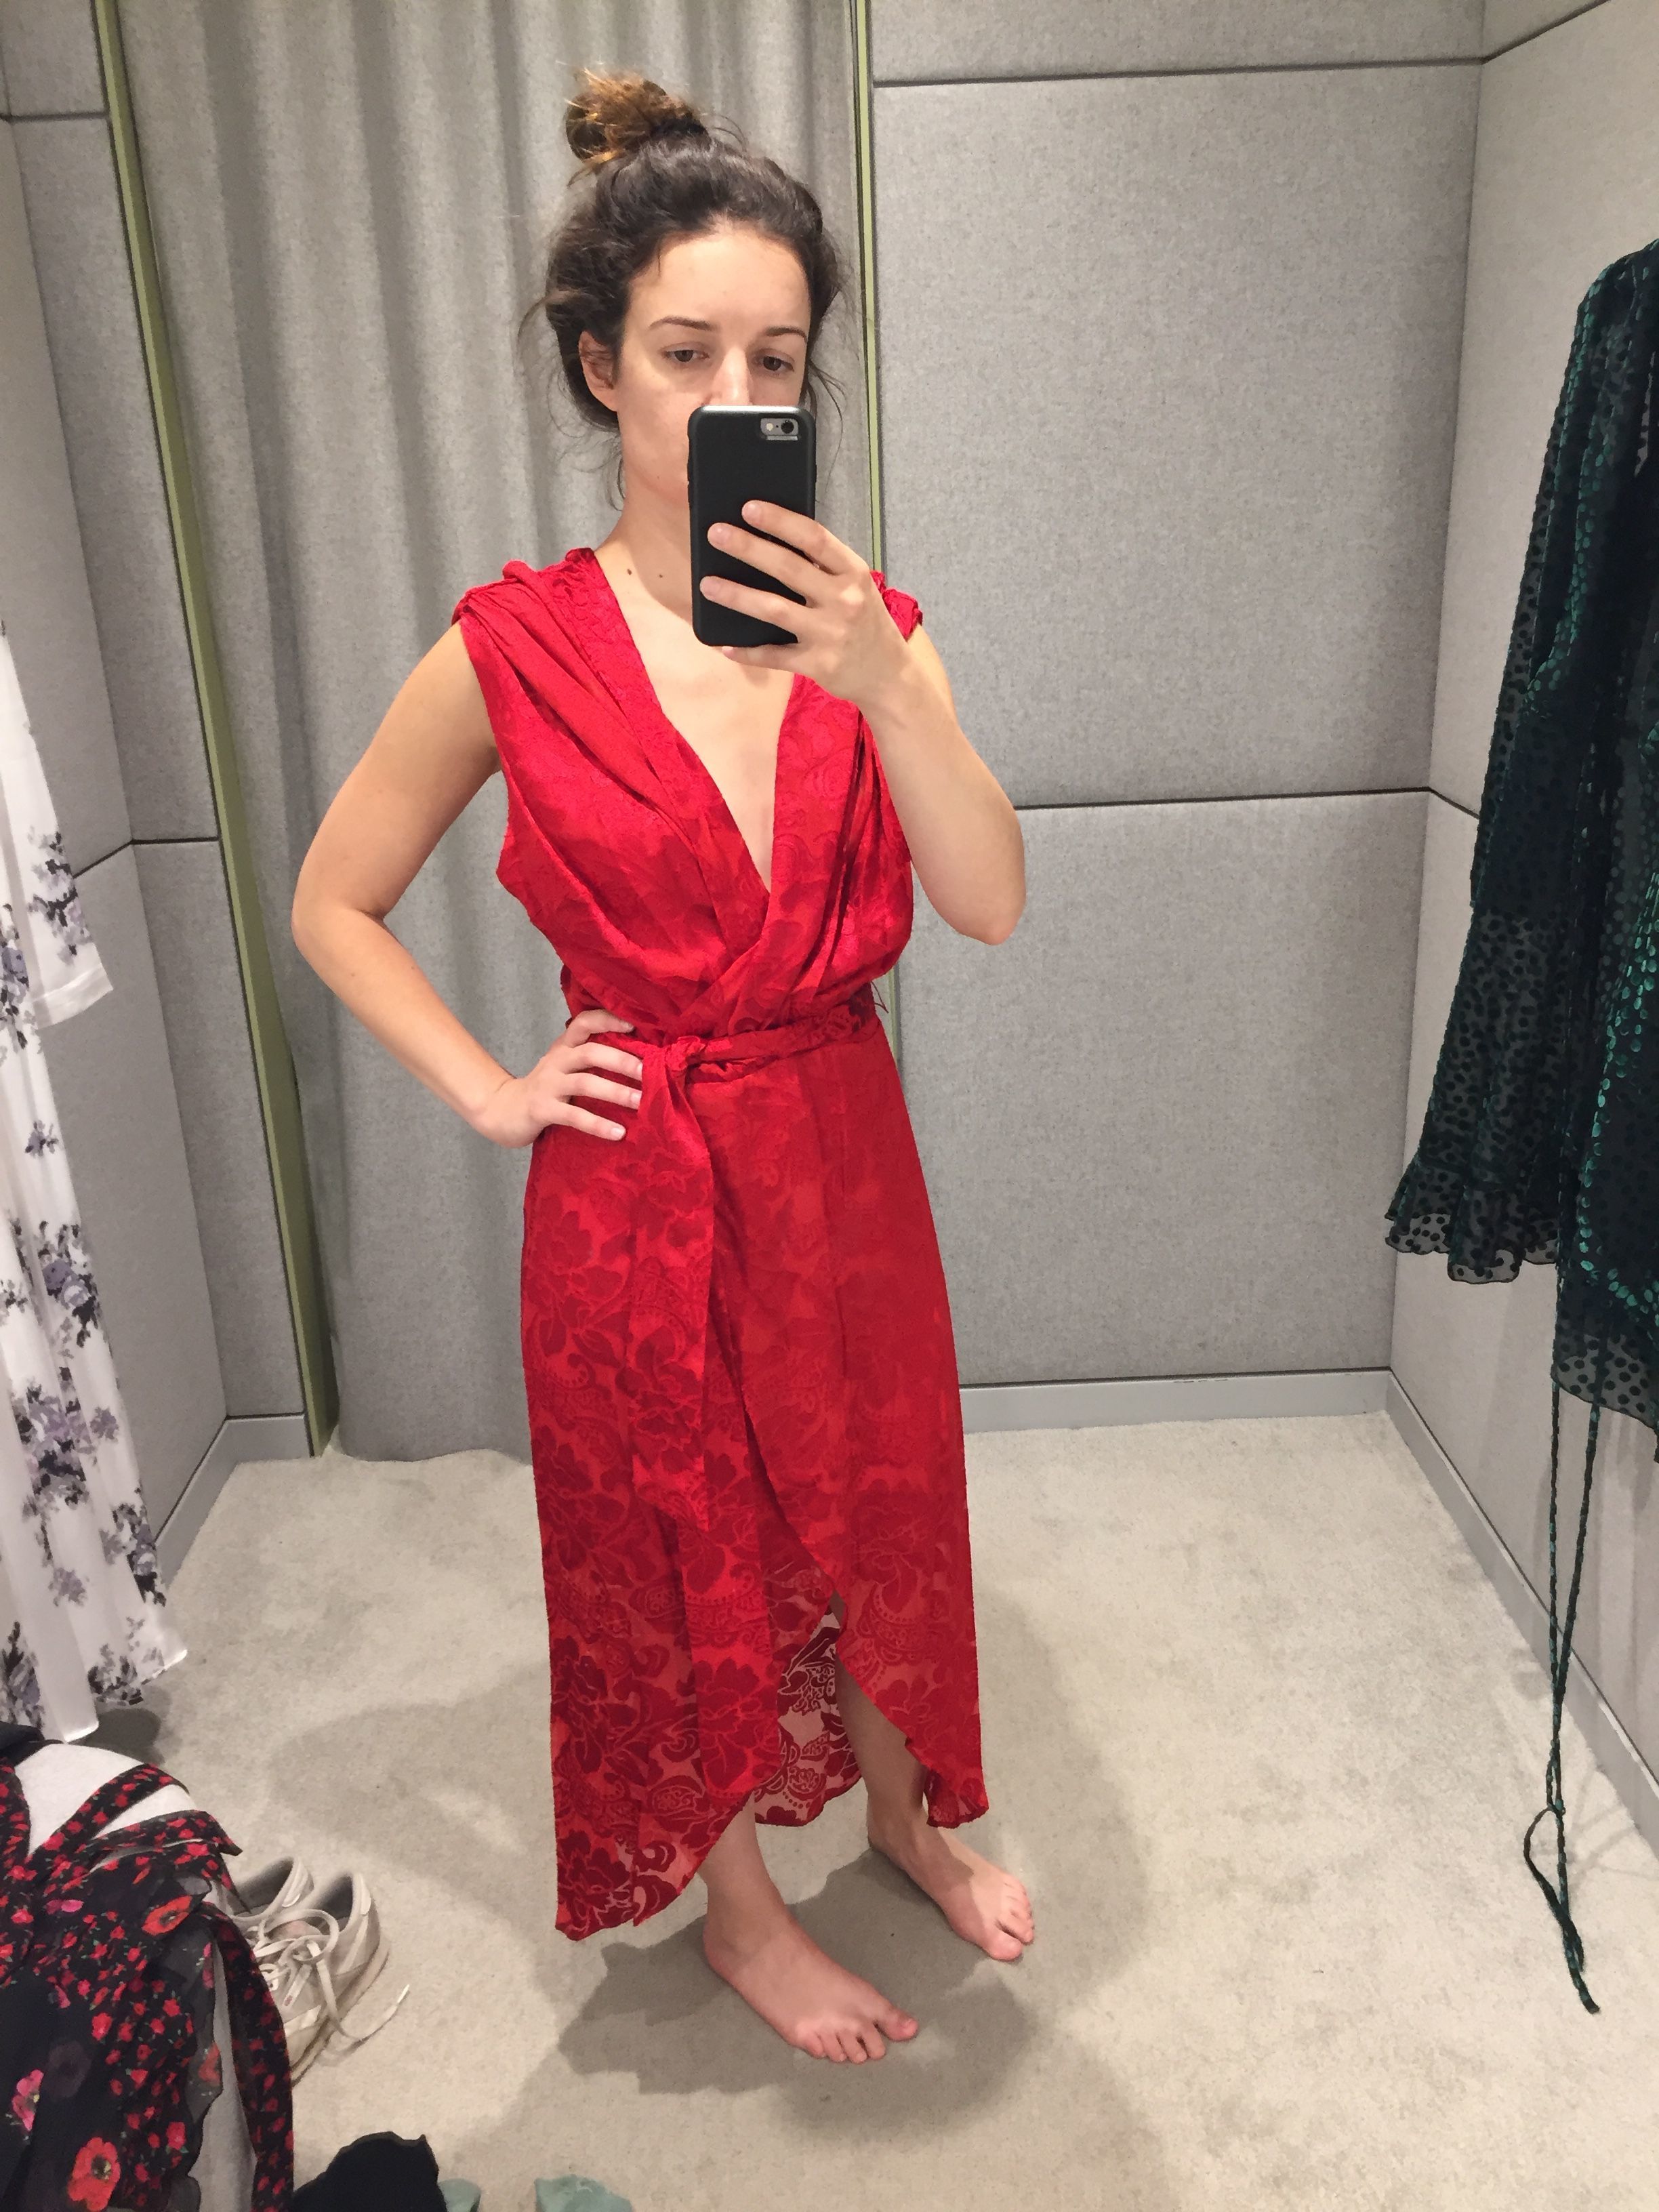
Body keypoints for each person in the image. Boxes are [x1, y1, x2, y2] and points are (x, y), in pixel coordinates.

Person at [291, 68, 1032, 2066]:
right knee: (678, 1538)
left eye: (774, 359)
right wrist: (490, 1090)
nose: (731, 393)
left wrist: (887, 689)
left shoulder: (876, 632)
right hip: (642, 1183)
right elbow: (333, 901)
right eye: (686, 352)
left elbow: (987, 902)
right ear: (599, 366)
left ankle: (907, 1815)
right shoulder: (513, 649)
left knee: (885, 1504)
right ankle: (742, 1919)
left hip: (843, 1148)